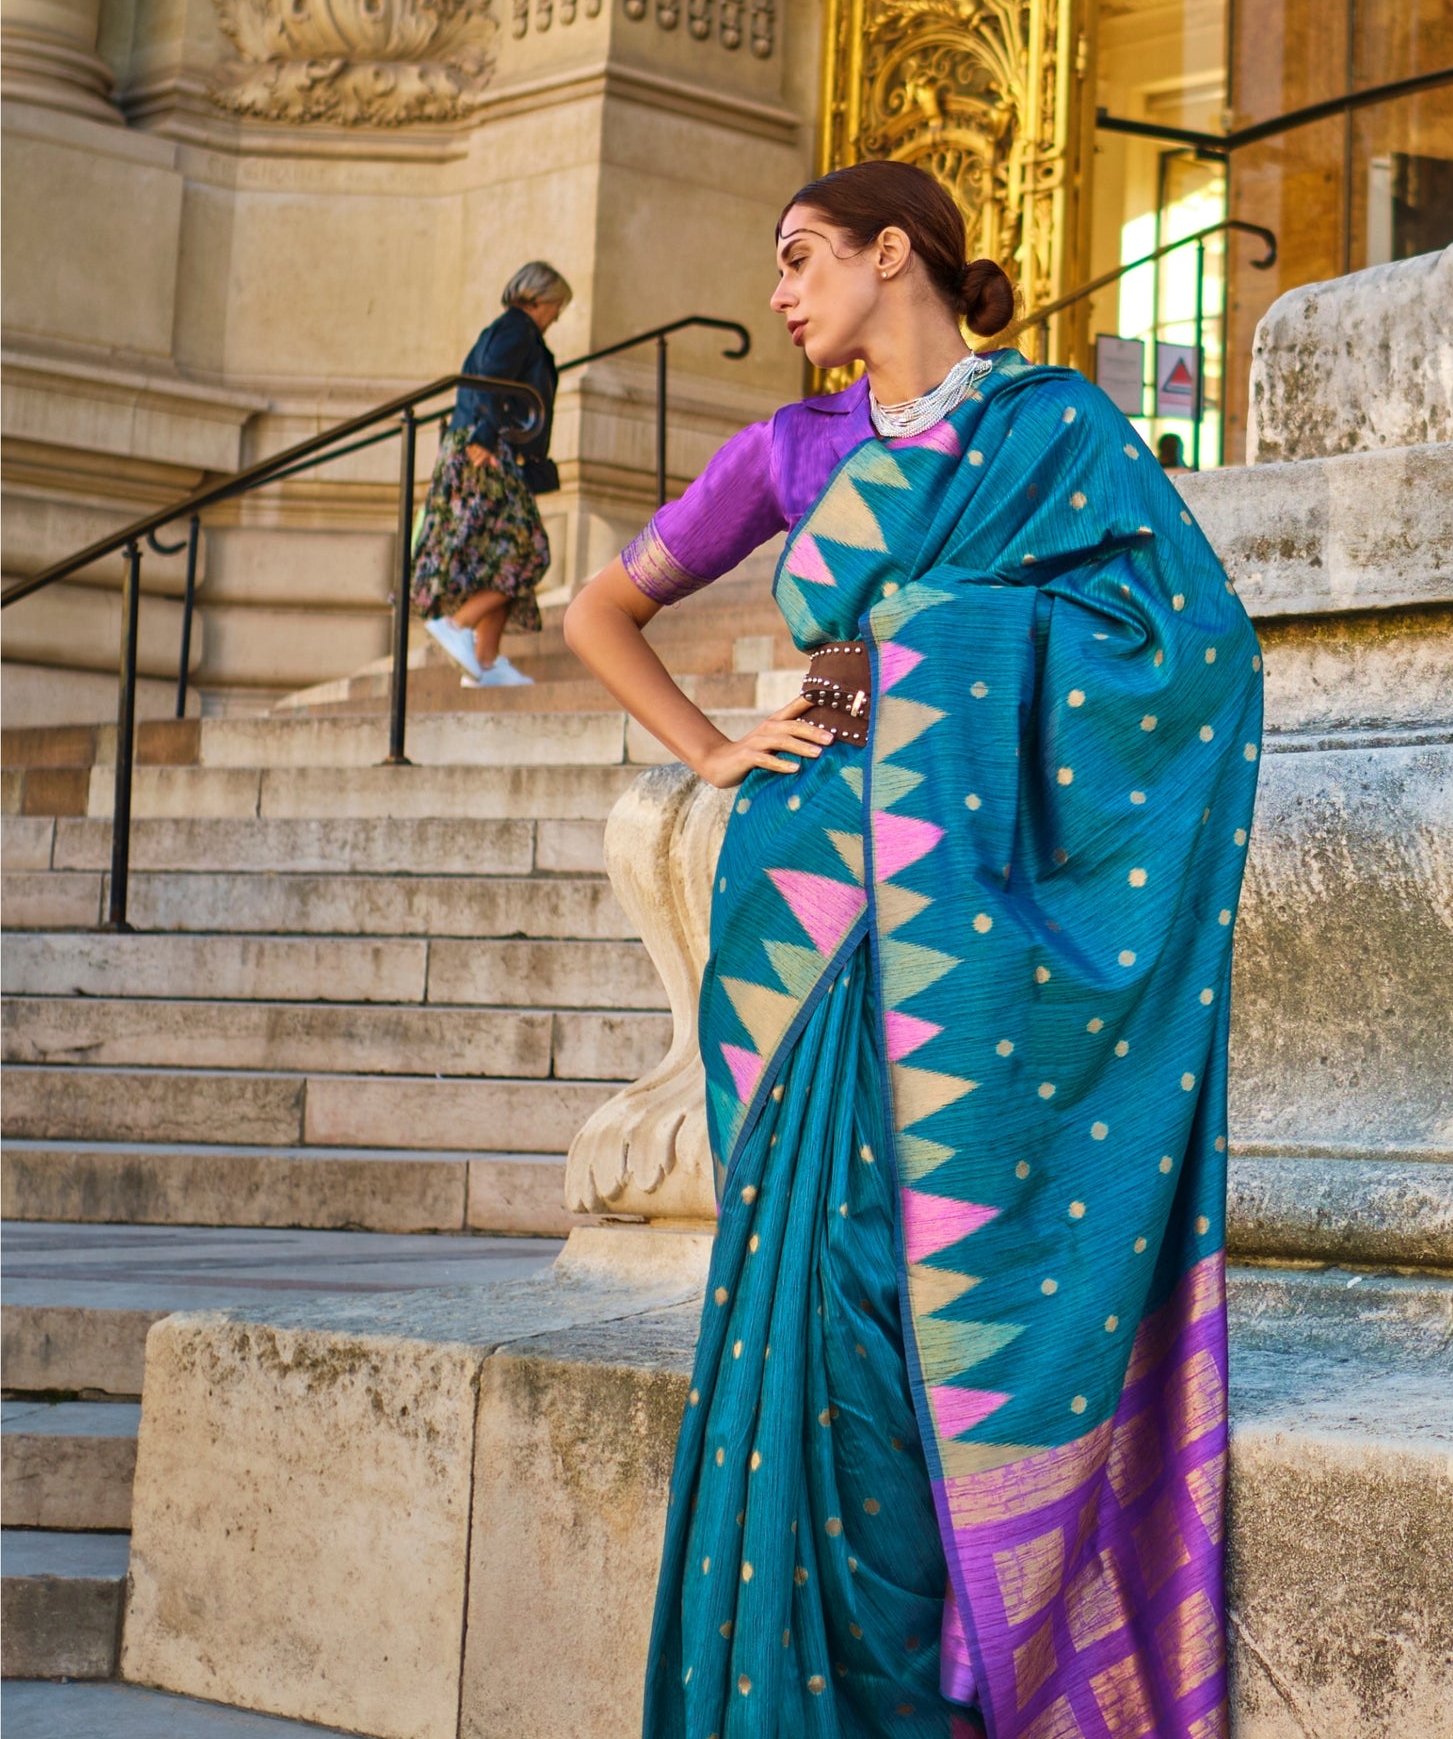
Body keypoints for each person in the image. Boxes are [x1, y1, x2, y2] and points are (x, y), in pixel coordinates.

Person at [564, 161, 1261, 1739]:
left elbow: (1192, 646)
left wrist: (942, 648)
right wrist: (713, 752)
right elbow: (599, 610)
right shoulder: (787, 447)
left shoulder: (1058, 428)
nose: (781, 293)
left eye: (805, 259)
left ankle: (943, 1678)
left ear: (898, 256)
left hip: (956, 908)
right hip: (796, 903)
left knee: (903, 1284)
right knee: (801, 1292)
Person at [412, 260, 570, 688]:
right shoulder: (517, 329)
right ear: (539, 298)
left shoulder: (510, 330)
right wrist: (485, 434)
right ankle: (457, 625)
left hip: (486, 447)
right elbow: (491, 380)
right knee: (527, 551)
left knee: (501, 554)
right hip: (486, 451)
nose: (557, 315)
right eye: (556, 305)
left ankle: (483, 661)